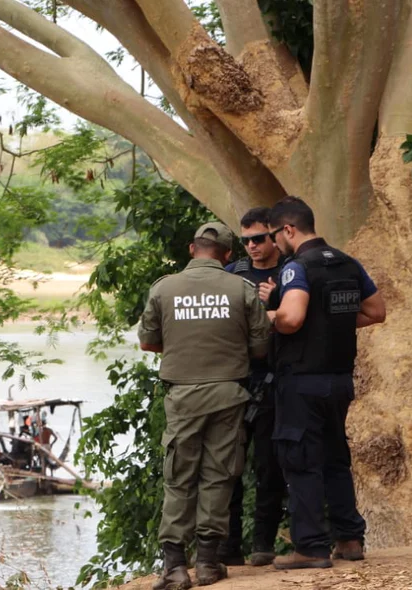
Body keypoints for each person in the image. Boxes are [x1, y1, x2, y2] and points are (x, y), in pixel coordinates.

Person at [138, 222, 272, 589]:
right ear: (228, 255)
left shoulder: (165, 288)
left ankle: (176, 567)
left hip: (183, 396)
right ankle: (210, 563)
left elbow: (148, 343)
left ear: (191, 249)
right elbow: (261, 347)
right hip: (229, 394)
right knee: (219, 474)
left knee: (179, 477)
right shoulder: (241, 288)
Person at [264, 197, 386, 569]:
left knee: (301, 461)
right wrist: (329, 323)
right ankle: (349, 539)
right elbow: (376, 312)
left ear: (288, 230)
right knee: (335, 458)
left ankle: (311, 547)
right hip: (339, 381)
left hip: (303, 381)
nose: (272, 244)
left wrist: (269, 314)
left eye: (273, 235)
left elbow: (293, 318)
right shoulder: (348, 263)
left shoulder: (296, 267)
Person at [219, 208, 288, 567]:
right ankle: (229, 546)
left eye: (258, 239)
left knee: (269, 467)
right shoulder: (233, 275)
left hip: (277, 380)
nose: (252, 247)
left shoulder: (291, 272)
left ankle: (263, 544)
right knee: (229, 466)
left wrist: (273, 303)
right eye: (245, 241)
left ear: (275, 236)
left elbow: (299, 321)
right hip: (237, 379)